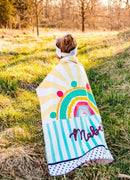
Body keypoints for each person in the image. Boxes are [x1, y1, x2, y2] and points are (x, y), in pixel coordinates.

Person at [36, 32, 114, 177]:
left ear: (57, 55)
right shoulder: (79, 67)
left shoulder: (57, 72)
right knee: (80, 124)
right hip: (83, 110)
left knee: (67, 125)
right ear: (75, 52)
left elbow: (47, 89)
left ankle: (72, 156)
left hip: (68, 114)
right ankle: (87, 153)